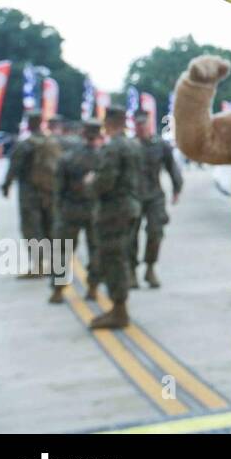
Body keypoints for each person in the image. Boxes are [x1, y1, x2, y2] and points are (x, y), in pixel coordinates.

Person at [88, 104, 141, 329]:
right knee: (121, 255)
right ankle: (119, 307)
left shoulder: (113, 148)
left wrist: (91, 182)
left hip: (113, 210)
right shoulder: (134, 145)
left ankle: (119, 310)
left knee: (113, 259)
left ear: (108, 122)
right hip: (130, 206)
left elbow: (105, 182)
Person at [50, 120, 104, 304]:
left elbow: (58, 188)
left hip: (70, 209)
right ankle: (93, 288)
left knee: (62, 249)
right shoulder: (104, 157)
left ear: (82, 133)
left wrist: (58, 208)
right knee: (95, 249)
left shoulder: (68, 157)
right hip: (96, 209)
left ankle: (58, 290)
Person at [2, 112, 61, 276]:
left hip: (30, 192)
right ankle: (54, 265)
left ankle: (38, 266)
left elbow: (14, 166)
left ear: (28, 124)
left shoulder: (25, 144)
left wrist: (6, 185)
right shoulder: (52, 142)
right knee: (49, 227)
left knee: (32, 229)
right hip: (50, 191)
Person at [132, 109, 184, 289]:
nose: (140, 128)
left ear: (148, 125)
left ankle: (150, 268)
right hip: (133, 196)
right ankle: (131, 270)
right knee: (130, 234)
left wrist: (177, 188)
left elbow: (172, 168)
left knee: (155, 232)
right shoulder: (129, 146)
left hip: (154, 195)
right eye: (137, 125)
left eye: (143, 124)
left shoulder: (160, 145)